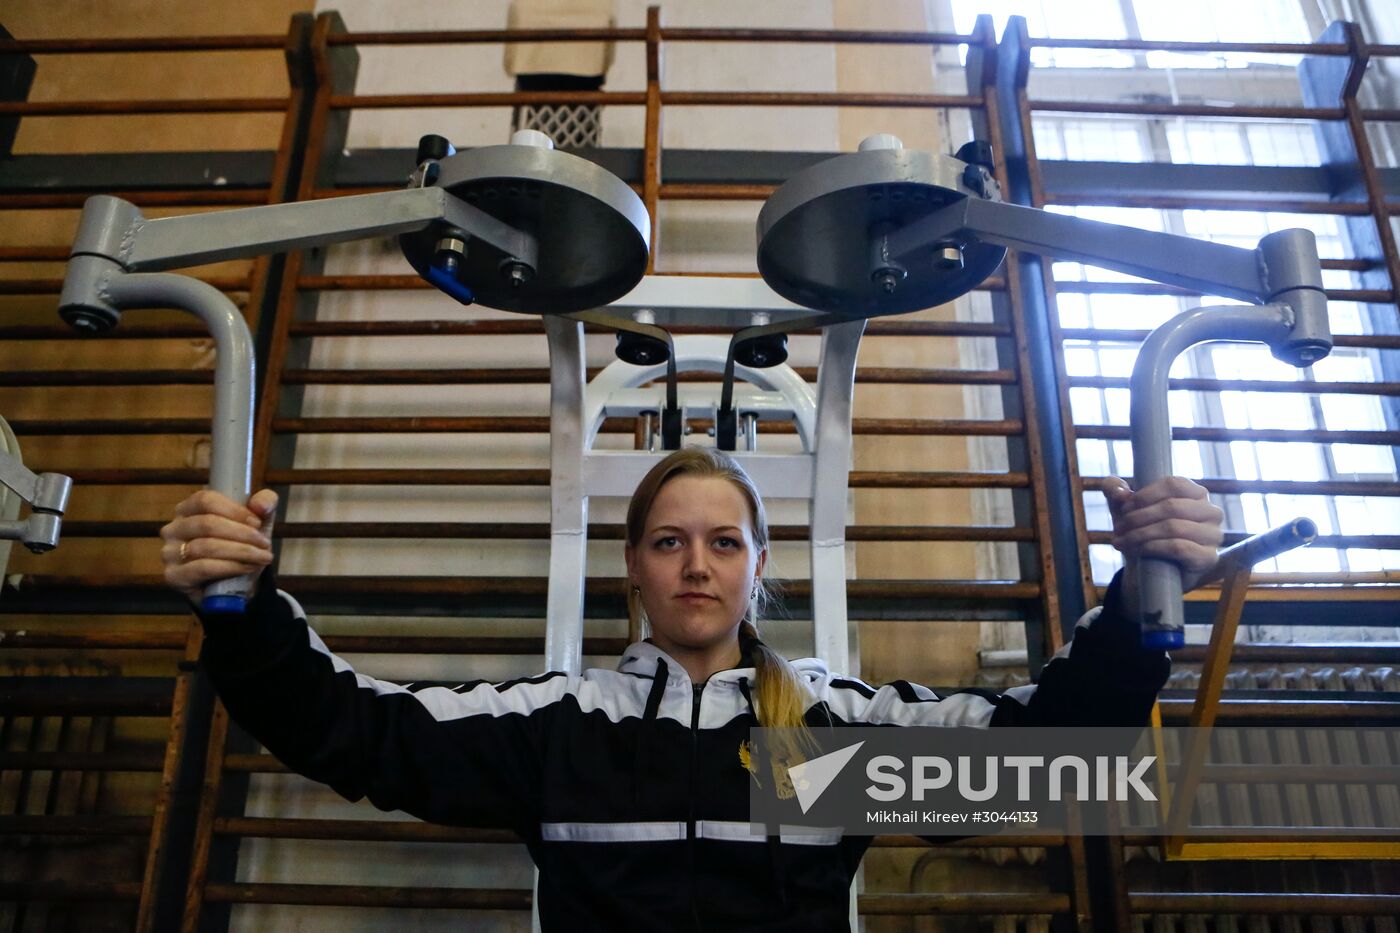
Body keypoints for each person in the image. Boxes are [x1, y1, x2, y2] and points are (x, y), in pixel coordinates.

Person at [162, 446, 1223, 931]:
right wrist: (241, 606)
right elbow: (349, 731)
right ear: (633, 567)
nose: (696, 566)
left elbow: (1038, 763)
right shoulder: (558, 728)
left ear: (761, 566)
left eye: (723, 542)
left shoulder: (819, 741)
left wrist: (1141, 594)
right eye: (667, 542)